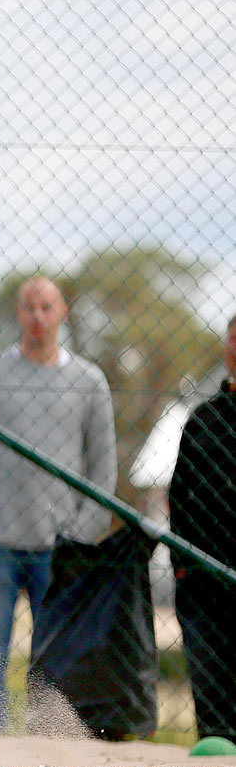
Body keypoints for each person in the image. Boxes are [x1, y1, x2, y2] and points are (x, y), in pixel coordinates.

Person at [0, 276, 115, 734]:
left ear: (63, 312)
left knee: (54, 656)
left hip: (59, 546)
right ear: (18, 314)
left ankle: (44, 744)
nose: (37, 316)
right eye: (28, 307)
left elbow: (104, 466)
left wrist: (82, 532)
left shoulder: (88, 382)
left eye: (46, 307)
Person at [169, 313, 236, 741]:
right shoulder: (204, 419)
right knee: (212, 691)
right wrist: (182, 562)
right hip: (203, 576)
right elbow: (180, 492)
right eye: (233, 338)